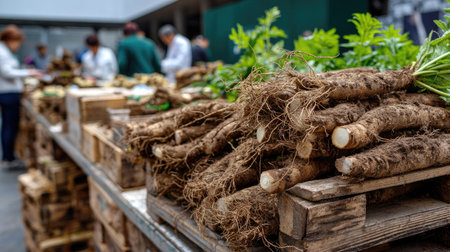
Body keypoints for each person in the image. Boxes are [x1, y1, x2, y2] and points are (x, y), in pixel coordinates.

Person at [0, 25, 40, 169]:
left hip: (9, 92)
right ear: (10, 39)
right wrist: (28, 73)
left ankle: (9, 155)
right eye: (17, 42)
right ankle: (8, 158)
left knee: (8, 125)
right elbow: (7, 72)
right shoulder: (2, 52)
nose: (18, 45)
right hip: (7, 94)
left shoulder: (5, 52)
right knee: (9, 126)